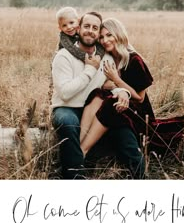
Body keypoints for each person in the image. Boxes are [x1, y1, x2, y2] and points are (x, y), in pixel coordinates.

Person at [51, 11, 143, 179]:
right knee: (68, 123)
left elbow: (107, 85)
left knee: (122, 127)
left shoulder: (106, 57)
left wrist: (121, 92)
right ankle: (74, 176)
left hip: (94, 108)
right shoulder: (63, 56)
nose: (90, 31)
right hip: (68, 108)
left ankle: (139, 176)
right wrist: (90, 69)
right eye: (86, 26)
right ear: (78, 29)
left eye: (95, 28)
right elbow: (65, 93)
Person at [80, 17, 155, 158]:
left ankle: (83, 150)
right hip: (119, 106)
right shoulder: (107, 57)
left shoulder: (134, 60)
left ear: (118, 35)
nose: (105, 40)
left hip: (139, 113)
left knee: (108, 103)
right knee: (98, 94)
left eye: (109, 35)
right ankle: (79, 147)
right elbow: (104, 85)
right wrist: (108, 85)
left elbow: (140, 98)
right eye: (101, 37)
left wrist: (115, 79)